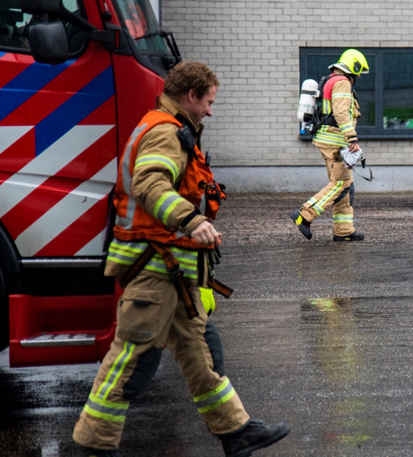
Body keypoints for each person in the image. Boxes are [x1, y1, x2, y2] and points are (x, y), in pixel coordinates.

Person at [73, 61, 289, 456]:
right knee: (128, 359)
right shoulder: (165, 132)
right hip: (155, 271)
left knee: (199, 356)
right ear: (191, 96)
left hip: (173, 275)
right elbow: (150, 183)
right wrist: (191, 220)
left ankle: (235, 431)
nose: (210, 110)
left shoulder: (173, 129)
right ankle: (93, 445)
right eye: (208, 101)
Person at [291, 49, 368, 242]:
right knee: (341, 184)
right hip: (336, 141)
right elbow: (342, 113)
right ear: (353, 67)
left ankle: (344, 231)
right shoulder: (342, 82)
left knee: (345, 184)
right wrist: (352, 138)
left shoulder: (330, 79)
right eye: (358, 72)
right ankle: (304, 215)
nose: (358, 76)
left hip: (328, 139)